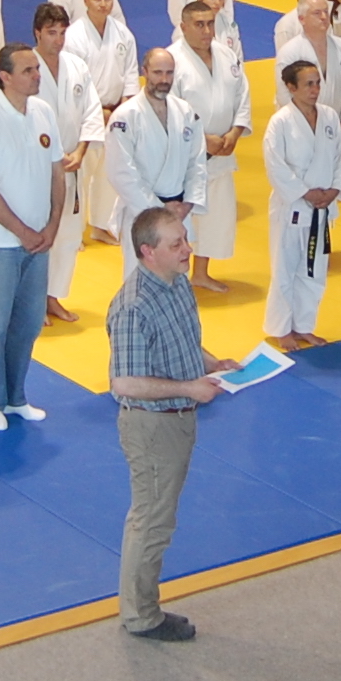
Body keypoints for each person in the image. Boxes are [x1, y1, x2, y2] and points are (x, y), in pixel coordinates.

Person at [107, 207, 239, 642]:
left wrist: (212, 364)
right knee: (152, 521)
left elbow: (183, 342)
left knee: (157, 516)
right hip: (152, 426)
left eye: (185, 239)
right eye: (177, 243)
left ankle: (140, 607)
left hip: (178, 416)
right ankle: (141, 616)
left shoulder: (176, 282)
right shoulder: (133, 307)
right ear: (149, 252)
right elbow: (124, 382)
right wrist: (188, 388)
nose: (188, 249)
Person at [0, 44, 65, 432]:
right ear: (5, 77)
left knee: (28, 324)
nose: (37, 75)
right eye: (28, 71)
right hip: (0, 242)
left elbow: (58, 172)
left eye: (37, 69)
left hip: (39, 240)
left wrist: (53, 224)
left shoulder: (43, 112)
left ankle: (15, 396)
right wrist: (22, 231)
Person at [263, 59, 341, 351]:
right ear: (291, 88)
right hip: (292, 207)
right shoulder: (280, 122)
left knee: (314, 270)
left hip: (322, 208)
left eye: (317, 84)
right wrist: (305, 192)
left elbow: (340, 157)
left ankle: (303, 325)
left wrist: (335, 189)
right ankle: (281, 329)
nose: (315, 90)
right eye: (308, 84)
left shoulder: (329, 116)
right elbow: (275, 166)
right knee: (285, 270)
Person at [168, 4, 250, 292]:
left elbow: (242, 95)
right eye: (199, 24)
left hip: (223, 151)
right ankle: (173, 275)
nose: (206, 30)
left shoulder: (226, 55)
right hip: (187, 155)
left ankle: (201, 273)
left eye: (210, 23)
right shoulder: (172, 60)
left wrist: (236, 131)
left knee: (216, 216)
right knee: (182, 219)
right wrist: (203, 139)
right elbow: (169, 110)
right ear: (184, 26)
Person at [106, 48, 205, 278]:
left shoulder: (185, 111)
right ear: (144, 72)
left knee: (178, 278)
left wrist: (188, 203)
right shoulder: (125, 116)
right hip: (142, 213)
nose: (164, 80)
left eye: (169, 73)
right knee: (141, 279)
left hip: (179, 212)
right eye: (157, 73)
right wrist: (158, 210)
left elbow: (197, 162)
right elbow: (121, 172)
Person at [32, 4, 103, 324]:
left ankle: (53, 297)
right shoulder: (26, 67)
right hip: (38, 167)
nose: (58, 40)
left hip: (73, 164)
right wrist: (52, 155)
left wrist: (82, 150)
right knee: (40, 234)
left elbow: (91, 110)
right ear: (37, 33)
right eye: (51, 33)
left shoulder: (76, 66)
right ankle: (33, 300)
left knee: (69, 235)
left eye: (62, 33)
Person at [73, 0, 139, 243]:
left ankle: (101, 226)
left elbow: (131, 74)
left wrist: (124, 106)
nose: (103, 4)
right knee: (81, 174)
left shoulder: (123, 34)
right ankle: (74, 231)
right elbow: (76, 80)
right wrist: (97, 111)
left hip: (116, 113)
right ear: (86, 1)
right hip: (87, 114)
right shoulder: (74, 36)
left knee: (108, 173)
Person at [275, 0, 341, 134]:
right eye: (317, 13)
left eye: (326, 12)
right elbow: (284, 89)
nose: (324, 17)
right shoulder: (290, 50)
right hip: (298, 124)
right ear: (302, 19)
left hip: (333, 125)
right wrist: (297, 120)